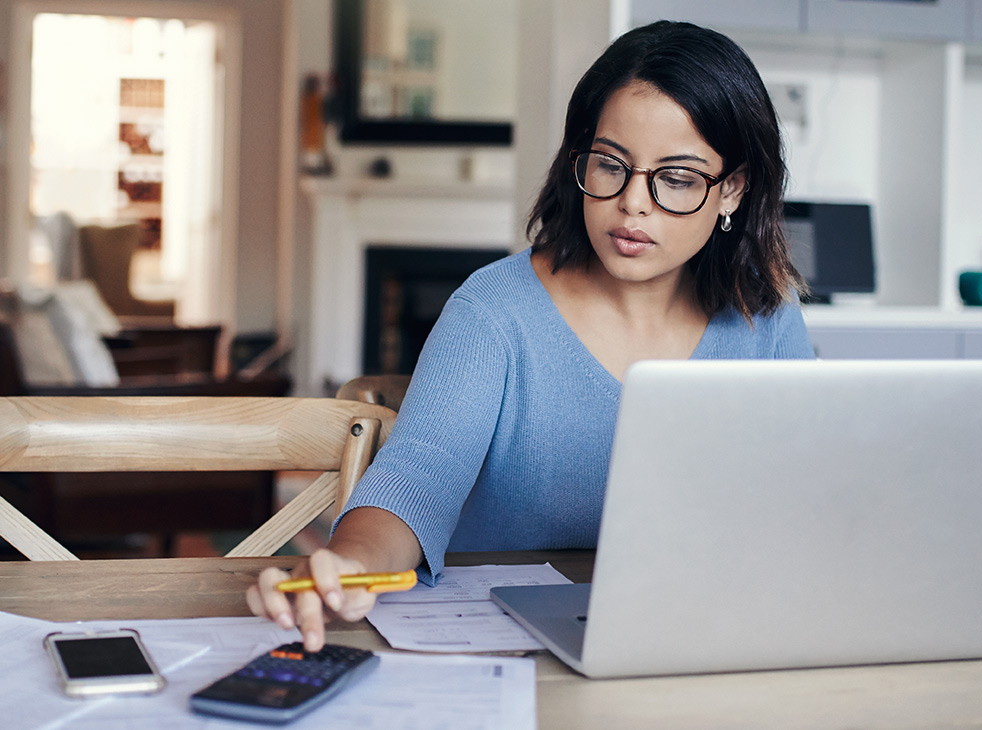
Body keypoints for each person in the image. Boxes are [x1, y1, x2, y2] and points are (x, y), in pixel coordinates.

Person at [248, 20, 814, 650]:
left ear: (732, 188)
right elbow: (414, 483)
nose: (633, 203)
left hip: (696, 640)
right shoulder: (492, 312)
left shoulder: (767, 315)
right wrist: (349, 566)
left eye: (677, 178)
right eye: (611, 165)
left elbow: (803, 503)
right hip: (505, 651)